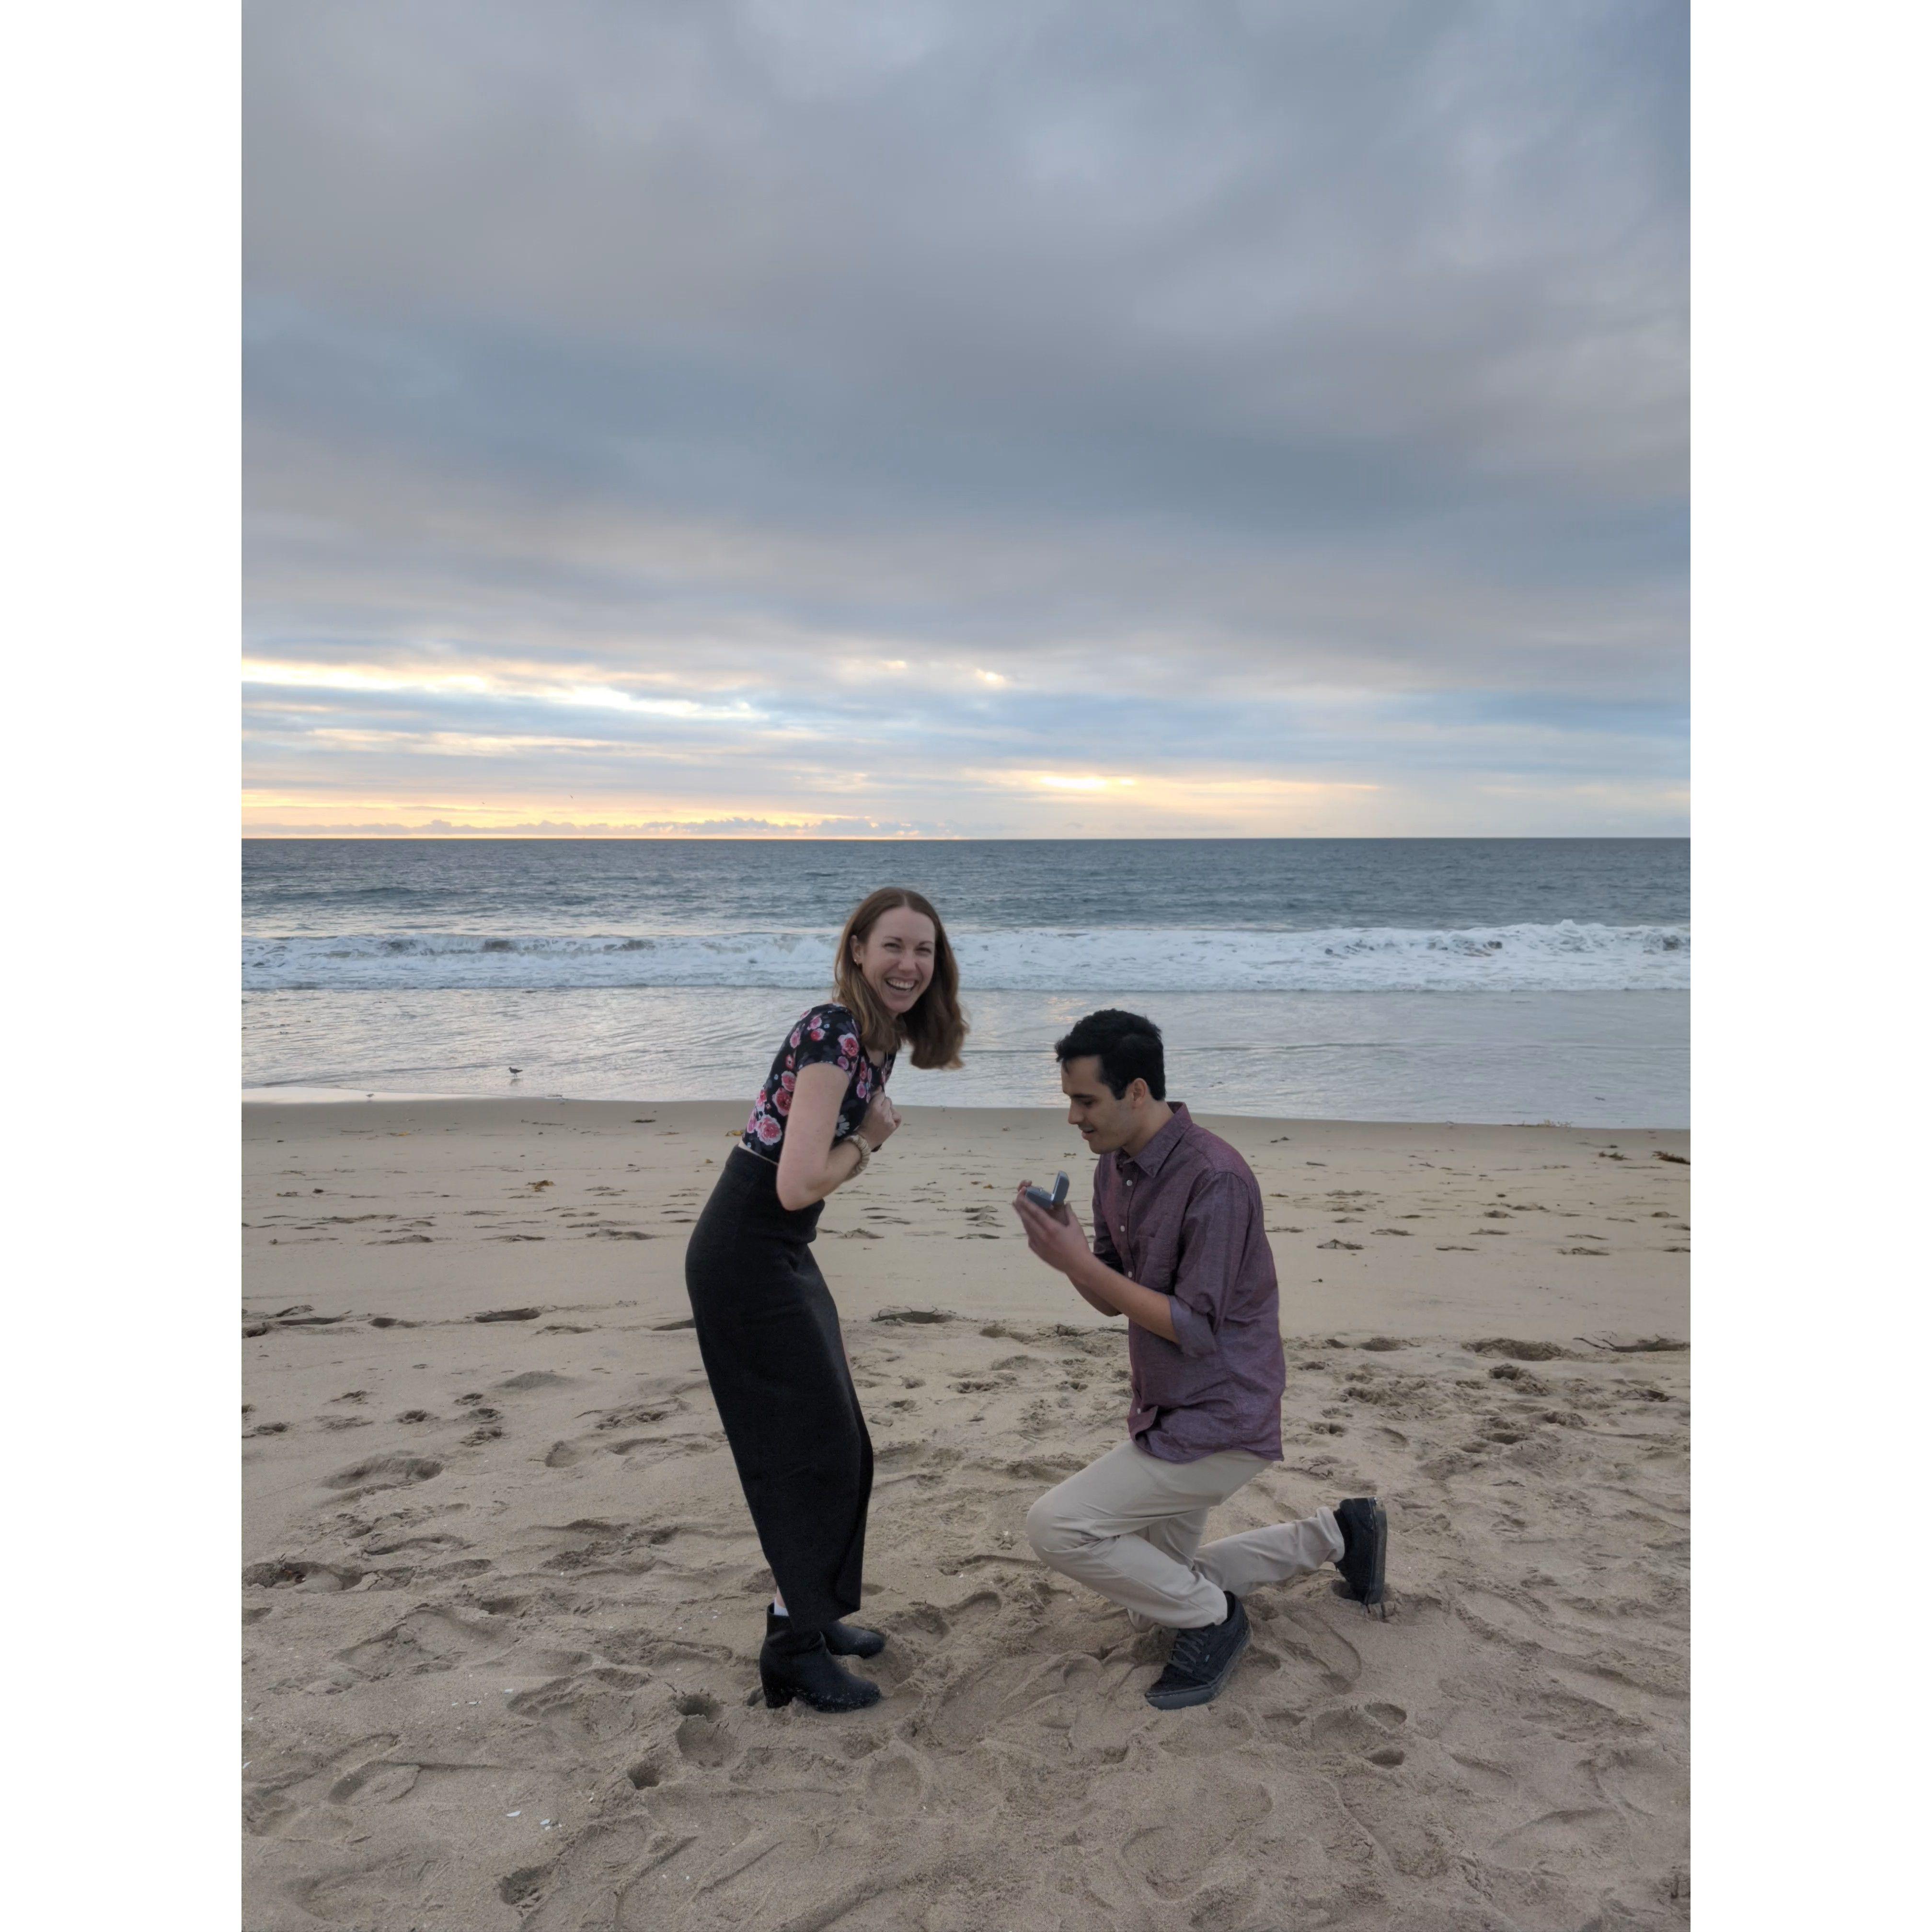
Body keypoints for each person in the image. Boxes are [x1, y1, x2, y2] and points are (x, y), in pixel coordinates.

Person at [1012, 1009, 1388, 1710]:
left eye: (1085, 1100)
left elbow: (1196, 1328)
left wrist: (1075, 1263)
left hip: (1223, 1411)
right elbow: (1110, 1299)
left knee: (1057, 1526)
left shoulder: (1216, 1179)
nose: (1073, 1118)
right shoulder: (1114, 1171)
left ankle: (1218, 1621)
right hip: (1164, 1406)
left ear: (1138, 1092)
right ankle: (1341, 1534)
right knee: (1159, 1581)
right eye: (1069, 1099)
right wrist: (1064, 1254)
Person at [685, 888, 966, 1713]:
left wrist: (855, 1144)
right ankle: (792, 1646)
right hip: (747, 1254)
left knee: (839, 1441)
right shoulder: (834, 1035)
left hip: (776, 1250)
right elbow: (799, 1181)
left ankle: (813, 1611)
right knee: (809, 1453)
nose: (909, 965)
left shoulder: (873, 1038)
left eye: (924, 950)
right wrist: (867, 1143)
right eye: (893, 947)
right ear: (855, 950)